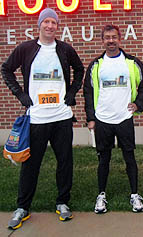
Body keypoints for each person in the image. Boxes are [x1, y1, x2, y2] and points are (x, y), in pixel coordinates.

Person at [1, 8, 84, 229]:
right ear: (39, 25)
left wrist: (72, 93)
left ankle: (63, 202)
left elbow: (79, 69)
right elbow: (6, 69)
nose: (49, 26)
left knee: (65, 162)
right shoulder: (26, 49)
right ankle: (22, 207)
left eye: (53, 22)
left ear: (57, 26)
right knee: (30, 164)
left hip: (62, 117)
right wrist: (20, 95)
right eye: (45, 22)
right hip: (36, 118)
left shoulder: (65, 49)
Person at [84, 24, 143, 214]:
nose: (110, 41)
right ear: (102, 40)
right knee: (103, 159)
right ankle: (101, 196)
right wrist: (91, 118)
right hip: (103, 119)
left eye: (114, 37)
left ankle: (135, 195)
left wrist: (138, 104)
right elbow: (88, 93)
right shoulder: (96, 65)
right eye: (107, 37)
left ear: (120, 39)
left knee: (129, 156)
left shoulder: (132, 62)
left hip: (124, 118)